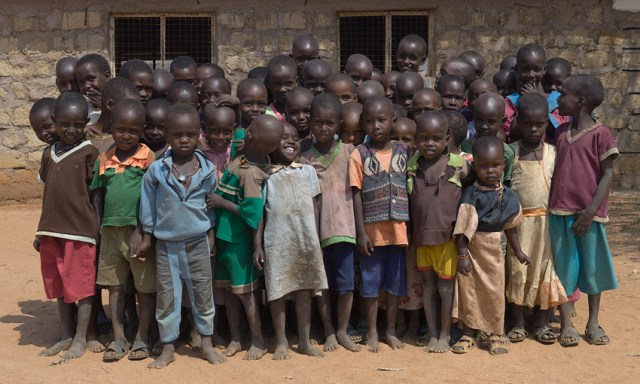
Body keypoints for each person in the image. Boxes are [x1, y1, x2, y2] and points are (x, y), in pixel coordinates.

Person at [135, 104, 225, 368]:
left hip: (197, 242)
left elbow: (209, 206)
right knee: (167, 296)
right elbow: (148, 207)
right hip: (167, 246)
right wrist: (148, 236)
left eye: (189, 133)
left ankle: (205, 343)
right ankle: (168, 347)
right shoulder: (157, 170)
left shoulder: (207, 170)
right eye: (177, 134)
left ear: (199, 134)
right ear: (166, 134)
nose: (183, 139)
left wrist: (210, 234)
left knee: (202, 294)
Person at [207, 114, 284, 360]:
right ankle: (236, 338)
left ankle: (258, 340)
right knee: (229, 292)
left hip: (238, 241)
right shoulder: (243, 157)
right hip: (224, 238)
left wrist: (221, 203)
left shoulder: (250, 174)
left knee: (245, 294)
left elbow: (253, 213)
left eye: (247, 131)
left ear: (250, 137)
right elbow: (239, 131)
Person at [550, 75, 619, 347]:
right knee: (563, 268)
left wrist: (590, 211)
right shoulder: (559, 132)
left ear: (579, 102)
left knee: (592, 269)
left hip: (589, 216)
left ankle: (593, 322)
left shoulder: (601, 134)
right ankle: (567, 322)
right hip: (559, 212)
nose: (557, 99)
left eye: (563, 94)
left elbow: (607, 175)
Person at [34, 92, 99, 363]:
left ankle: (82, 337)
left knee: (81, 287)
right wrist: (40, 230)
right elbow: (48, 196)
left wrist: (97, 227)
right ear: (55, 122)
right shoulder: (48, 154)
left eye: (77, 124)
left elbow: (96, 193)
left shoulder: (89, 153)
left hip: (80, 231)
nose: (71, 130)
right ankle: (65, 332)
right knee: (58, 286)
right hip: (52, 231)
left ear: (85, 123)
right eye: (64, 124)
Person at [451, 135, 531, 355]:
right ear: (474, 165)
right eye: (483, 166)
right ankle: (468, 333)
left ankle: (495, 333)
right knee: (469, 291)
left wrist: (519, 251)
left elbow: (511, 227)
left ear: (503, 166)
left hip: (495, 249)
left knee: (495, 292)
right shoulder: (470, 194)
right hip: (472, 249)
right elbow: (462, 226)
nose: (490, 170)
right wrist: (462, 253)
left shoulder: (509, 196)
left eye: (495, 165)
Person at [91, 99, 156, 362]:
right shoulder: (103, 158)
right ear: (110, 129)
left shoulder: (148, 158)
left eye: (132, 130)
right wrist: (97, 229)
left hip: (137, 232)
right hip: (109, 232)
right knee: (115, 287)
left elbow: (153, 197)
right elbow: (98, 195)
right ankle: (118, 339)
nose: (125, 135)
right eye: (120, 129)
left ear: (142, 130)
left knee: (144, 288)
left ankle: (142, 337)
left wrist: (145, 230)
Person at [258, 123, 328, 360]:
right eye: (283, 138)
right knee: (277, 291)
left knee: (304, 291)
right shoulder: (267, 175)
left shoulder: (307, 171)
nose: (290, 142)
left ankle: (305, 342)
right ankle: (281, 341)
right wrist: (257, 245)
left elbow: (316, 206)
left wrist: (316, 237)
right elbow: (259, 214)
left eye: (295, 138)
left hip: (306, 240)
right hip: (277, 242)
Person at [300, 93, 361, 353]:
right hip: (316, 232)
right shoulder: (304, 159)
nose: (323, 128)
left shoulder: (349, 152)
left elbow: (358, 192)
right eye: (318, 122)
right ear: (310, 123)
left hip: (345, 230)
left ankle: (343, 330)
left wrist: (361, 230)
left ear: (339, 125)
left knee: (345, 285)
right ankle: (328, 331)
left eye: (329, 123)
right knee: (321, 285)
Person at [407, 111, 472, 353]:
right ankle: (432, 333)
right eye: (423, 138)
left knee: (445, 288)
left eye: (436, 138)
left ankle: (445, 334)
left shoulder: (458, 165)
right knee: (428, 287)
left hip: (447, 239)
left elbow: (471, 191)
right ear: (415, 139)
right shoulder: (412, 166)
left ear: (447, 137)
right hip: (422, 239)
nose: (429, 143)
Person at [505, 93, 568, 345]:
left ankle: (541, 322)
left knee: (544, 271)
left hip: (546, 224)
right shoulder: (511, 152)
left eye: (539, 124)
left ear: (546, 122)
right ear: (518, 120)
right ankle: (518, 322)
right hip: (517, 225)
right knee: (517, 271)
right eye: (528, 123)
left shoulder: (553, 153)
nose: (533, 129)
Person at [349, 97, 409, 353]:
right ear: (363, 124)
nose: (376, 126)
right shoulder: (359, 154)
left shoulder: (405, 151)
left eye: (382, 120)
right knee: (370, 283)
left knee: (395, 284)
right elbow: (355, 193)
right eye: (370, 121)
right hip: (372, 234)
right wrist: (361, 232)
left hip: (399, 232)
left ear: (393, 122)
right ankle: (372, 330)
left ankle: (391, 330)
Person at [504, 43, 569, 142]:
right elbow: (507, 132)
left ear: (544, 70)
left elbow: (562, 130)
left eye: (537, 69)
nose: (531, 74)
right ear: (517, 70)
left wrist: (537, 99)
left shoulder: (557, 100)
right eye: (525, 69)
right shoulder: (510, 102)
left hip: (550, 154)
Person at [461, 93, 515, 185]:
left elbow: (506, 182)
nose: (484, 126)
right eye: (479, 120)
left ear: (503, 121)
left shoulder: (506, 151)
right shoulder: (463, 146)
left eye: (491, 121)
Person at [86, 77, 140, 154]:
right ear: (110, 105)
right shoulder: (81, 134)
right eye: (127, 107)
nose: (133, 112)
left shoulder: (129, 140)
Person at [231, 78, 269, 159]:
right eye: (248, 104)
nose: (255, 109)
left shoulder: (268, 130)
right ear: (238, 101)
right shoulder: (232, 127)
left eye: (261, 105)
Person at [200, 105, 235, 181]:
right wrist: (195, 147)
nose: (220, 137)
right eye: (214, 131)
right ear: (204, 127)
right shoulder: (199, 144)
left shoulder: (233, 146)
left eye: (226, 132)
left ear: (233, 130)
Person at [75, 54, 111, 126]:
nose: (86, 86)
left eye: (91, 79)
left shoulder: (119, 105)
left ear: (106, 77)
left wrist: (105, 109)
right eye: (81, 82)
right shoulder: (82, 109)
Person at [266, 55, 298, 121]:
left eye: (288, 83)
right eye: (277, 84)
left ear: (297, 82)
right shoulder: (265, 114)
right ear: (268, 83)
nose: (282, 89)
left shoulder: (304, 112)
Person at [284, 87, 314, 152]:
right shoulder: (281, 140)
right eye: (294, 112)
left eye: (307, 111)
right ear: (286, 114)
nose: (301, 117)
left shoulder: (320, 137)